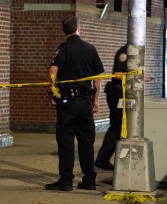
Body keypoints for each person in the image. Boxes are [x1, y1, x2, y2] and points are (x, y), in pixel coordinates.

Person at [45, 16, 104, 191]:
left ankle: (66, 181)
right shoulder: (90, 49)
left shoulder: (64, 49)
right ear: (79, 28)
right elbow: (97, 79)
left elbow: (52, 70)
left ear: (65, 31)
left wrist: (53, 92)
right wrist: (95, 101)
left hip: (68, 103)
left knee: (66, 141)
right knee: (86, 141)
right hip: (85, 102)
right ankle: (89, 180)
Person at [95, 44, 152, 170]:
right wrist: (138, 78)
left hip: (121, 94)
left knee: (116, 127)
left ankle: (102, 159)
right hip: (118, 94)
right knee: (122, 127)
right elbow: (118, 74)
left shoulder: (134, 52)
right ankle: (118, 161)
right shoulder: (125, 52)